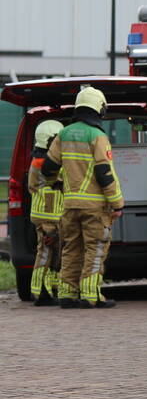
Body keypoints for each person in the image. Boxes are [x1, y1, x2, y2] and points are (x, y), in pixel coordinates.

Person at [41, 86, 123, 309]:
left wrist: (55, 183)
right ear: (99, 108)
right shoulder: (97, 136)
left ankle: (66, 294)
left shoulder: (63, 134)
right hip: (94, 206)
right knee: (95, 249)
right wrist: (117, 203)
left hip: (69, 205)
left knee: (71, 249)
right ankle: (90, 294)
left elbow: (48, 168)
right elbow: (104, 173)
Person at [27, 120, 64, 306]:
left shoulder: (37, 159)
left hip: (46, 213)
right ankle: (39, 292)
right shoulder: (47, 162)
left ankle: (51, 289)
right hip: (48, 215)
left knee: (54, 253)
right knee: (45, 252)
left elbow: (32, 187)